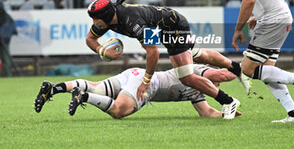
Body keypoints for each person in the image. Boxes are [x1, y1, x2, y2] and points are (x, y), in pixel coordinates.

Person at [85, 0, 243, 119]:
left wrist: (146, 81)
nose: (94, 22)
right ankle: (237, 68)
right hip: (159, 28)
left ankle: (228, 101)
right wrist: (102, 51)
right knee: (199, 56)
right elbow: (90, 39)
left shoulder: (133, 22)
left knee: (185, 76)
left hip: (174, 26)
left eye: (95, 18)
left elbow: (153, 52)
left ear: (106, 15)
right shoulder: (105, 20)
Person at [34, 64, 243, 119]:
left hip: (135, 74)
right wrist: (243, 70)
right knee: (119, 111)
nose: (217, 85)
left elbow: (206, 112)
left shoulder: (198, 92)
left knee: (97, 86)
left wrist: (226, 113)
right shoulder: (196, 71)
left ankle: (54, 88)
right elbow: (221, 75)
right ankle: (84, 97)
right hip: (148, 84)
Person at [0, 0, 17, 77]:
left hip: (4, 37)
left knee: (5, 57)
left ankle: (7, 75)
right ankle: (8, 75)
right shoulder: (6, 16)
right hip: (5, 36)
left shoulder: (5, 16)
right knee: (5, 57)